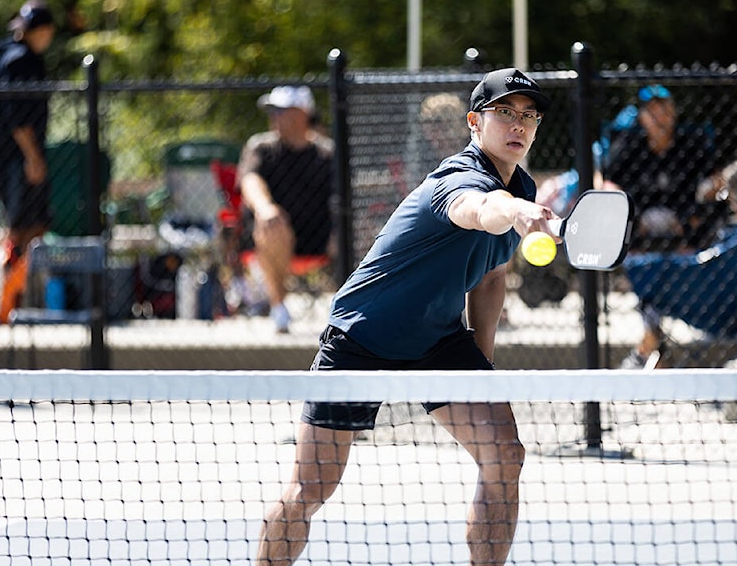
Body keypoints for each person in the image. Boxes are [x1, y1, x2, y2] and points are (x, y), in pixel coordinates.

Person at [257, 68, 558, 566]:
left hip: (437, 338)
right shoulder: (458, 178)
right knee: (311, 489)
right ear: (474, 123)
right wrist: (515, 212)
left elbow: (491, 277)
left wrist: (480, 364)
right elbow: (480, 210)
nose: (518, 124)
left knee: (504, 456)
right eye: (504, 112)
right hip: (361, 334)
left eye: (529, 115)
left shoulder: (521, 185)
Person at [621, 156, 737, 369]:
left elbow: (712, 265)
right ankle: (648, 352)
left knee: (648, 275)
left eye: (731, 195)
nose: (730, 203)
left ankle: (646, 353)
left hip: (720, 306)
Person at [0, 0, 57, 323]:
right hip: (16, 154)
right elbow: (16, 118)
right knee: (20, 229)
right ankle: (4, 302)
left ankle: (23, 298)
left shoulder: (9, 57)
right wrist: (32, 156)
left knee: (35, 226)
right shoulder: (19, 61)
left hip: (15, 152)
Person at [237, 86, 335, 333]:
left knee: (355, 230)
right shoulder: (261, 147)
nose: (274, 118)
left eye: (280, 111)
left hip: (320, 239)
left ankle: (351, 315)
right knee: (273, 223)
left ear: (301, 114)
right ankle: (279, 311)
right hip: (272, 234)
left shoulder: (327, 153)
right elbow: (250, 180)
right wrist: (265, 207)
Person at [602, 84, 720, 252]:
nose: (658, 118)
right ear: (642, 118)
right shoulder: (629, 143)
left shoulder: (691, 143)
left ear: (674, 114)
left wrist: (706, 192)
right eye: (652, 112)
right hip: (638, 215)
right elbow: (607, 180)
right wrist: (618, 201)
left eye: (664, 111)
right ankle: (632, 264)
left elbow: (715, 177)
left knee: (706, 209)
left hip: (683, 214)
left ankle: (690, 261)